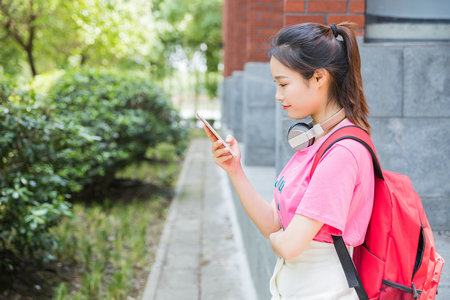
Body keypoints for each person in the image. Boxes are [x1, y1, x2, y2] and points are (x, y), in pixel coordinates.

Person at [204, 22, 375, 299]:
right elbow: (274, 222)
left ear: (319, 78)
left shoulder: (342, 153)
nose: (277, 95)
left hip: (324, 290)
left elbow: (289, 245)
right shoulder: (316, 140)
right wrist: (235, 169)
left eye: (283, 84)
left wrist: (280, 240)